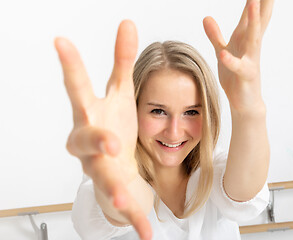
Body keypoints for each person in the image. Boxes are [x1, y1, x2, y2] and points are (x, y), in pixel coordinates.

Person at [54, 0, 274, 239]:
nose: (174, 131)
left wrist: (249, 109)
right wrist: (124, 171)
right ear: (134, 111)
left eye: (191, 112)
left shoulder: (216, 169)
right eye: (158, 111)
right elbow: (129, 207)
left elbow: (244, 194)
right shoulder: (104, 181)